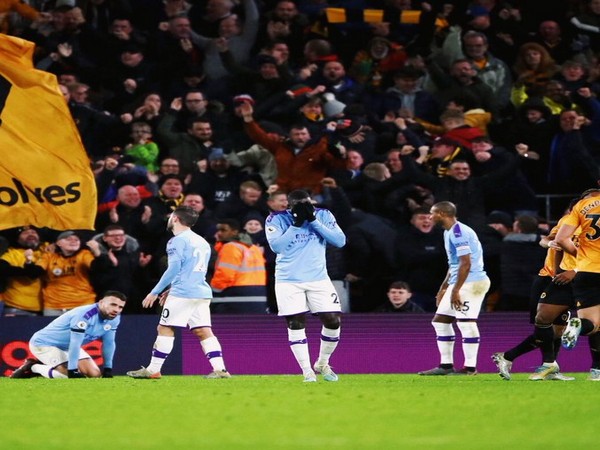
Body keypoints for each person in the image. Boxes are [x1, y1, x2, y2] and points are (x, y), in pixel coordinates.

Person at [127, 206, 230, 379]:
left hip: (184, 292)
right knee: (203, 330)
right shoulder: (202, 241)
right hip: (201, 292)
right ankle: (220, 370)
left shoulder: (176, 241)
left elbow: (174, 268)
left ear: (175, 219)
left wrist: (155, 291)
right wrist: (172, 288)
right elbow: (193, 270)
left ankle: (153, 370)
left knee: (165, 327)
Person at [492, 203, 580, 381]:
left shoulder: (591, 229)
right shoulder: (567, 222)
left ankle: (542, 365)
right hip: (549, 278)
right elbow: (545, 239)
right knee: (544, 325)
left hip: (572, 278)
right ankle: (543, 363)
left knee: (557, 330)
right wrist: (551, 244)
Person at [265, 190, 346, 382]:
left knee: (333, 321)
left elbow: (340, 241)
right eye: (298, 205)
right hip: (288, 280)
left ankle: (322, 363)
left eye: (307, 204)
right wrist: (296, 225)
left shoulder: (323, 215)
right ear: (289, 205)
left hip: (318, 278)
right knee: (296, 323)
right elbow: (277, 247)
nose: (304, 208)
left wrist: (313, 220)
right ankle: (306, 371)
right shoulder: (275, 219)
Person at [418, 201, 490, 376]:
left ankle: (470, 368)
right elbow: (455, 264)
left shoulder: (459, 232)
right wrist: (444, 288)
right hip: (460, 281)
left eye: (432, 213)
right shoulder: (448, 232)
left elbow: (466, 263)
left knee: (466, 323)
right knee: (440, 321)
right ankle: (446, 366)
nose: (430, 216)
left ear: (442, 214)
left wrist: (456, 290)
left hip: (472, 282)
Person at [10, 291, 127, 379]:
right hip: (44, 343)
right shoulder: (85, 315)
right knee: (68, 376)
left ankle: (50, 366)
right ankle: (33, 367)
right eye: (113, 305)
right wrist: (72, 370)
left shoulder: (114, 318)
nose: (116, 309)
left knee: (95, 375)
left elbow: (109, 343)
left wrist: (107, 369)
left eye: (120, 307)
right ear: (101, 302)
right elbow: (75, 343)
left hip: (66, 346)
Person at [555, 188, 600, 381]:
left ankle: (578, 325)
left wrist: (581, 257)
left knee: (593, 325)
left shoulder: (581, 206)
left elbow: (561, 239)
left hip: (587, 271)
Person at [210, 218, 267, 313]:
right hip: (259, 296)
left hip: (235, 297)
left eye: (223, 230)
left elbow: (225, 275)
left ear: (234, 232)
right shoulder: (254, 248)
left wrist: (213, 292)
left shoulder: (231, 247)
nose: (219, 233)